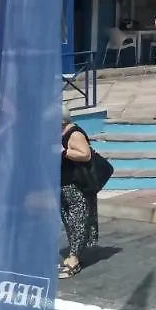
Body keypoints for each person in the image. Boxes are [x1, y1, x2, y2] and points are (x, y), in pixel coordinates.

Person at [59, 106, 97, 278]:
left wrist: (64, 152)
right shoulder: (58, 133)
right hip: (63, 184)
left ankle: (74, 258)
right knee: (69, 220)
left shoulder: (74, 134)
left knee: (79, 220)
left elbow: (85, 155)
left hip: (77, 185)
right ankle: (75, 252)